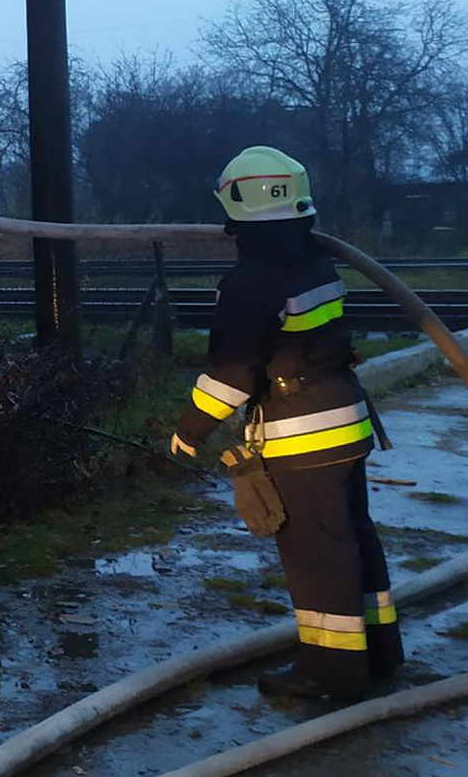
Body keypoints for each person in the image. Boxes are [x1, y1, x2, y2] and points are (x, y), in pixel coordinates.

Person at [167, 145, 403, 701]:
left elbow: (231, 375)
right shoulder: (316, 261)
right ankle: (379, 652)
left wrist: (188, 433)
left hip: (302, 434)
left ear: (237, 211)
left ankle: (332, 673)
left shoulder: (251, 281)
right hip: (346, 422)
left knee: (317, 556)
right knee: (353, 539)